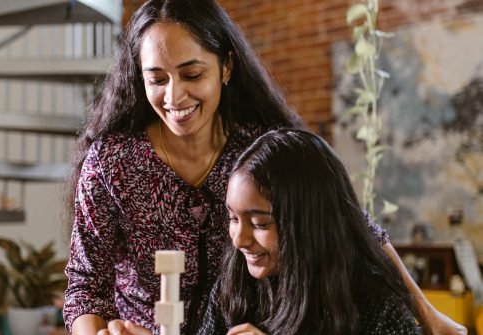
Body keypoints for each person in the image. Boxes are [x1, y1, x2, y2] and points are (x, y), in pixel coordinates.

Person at [64, 0, 467, 334]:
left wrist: (428, 315)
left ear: (226, 67)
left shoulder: (257, 148)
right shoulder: (113, 162)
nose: (174, 95)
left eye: (191, 74)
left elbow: (347, 221)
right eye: (156, 79)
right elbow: (85, 286)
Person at [100, 129, 419, 335]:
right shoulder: (237, 284)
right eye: (233, 218)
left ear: (310, 222)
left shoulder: (378, 306)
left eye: (260, 223)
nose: (239, 240)